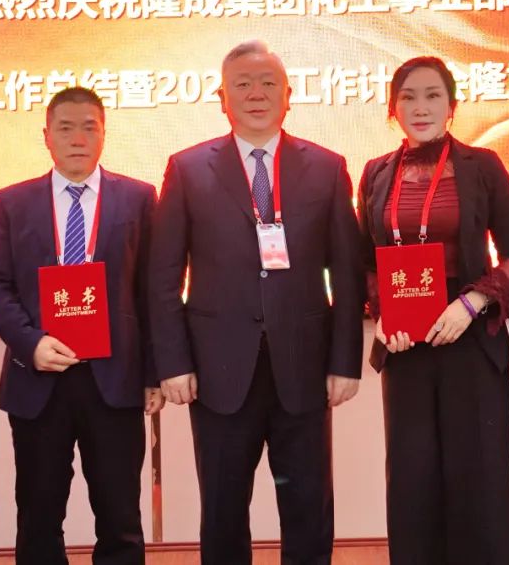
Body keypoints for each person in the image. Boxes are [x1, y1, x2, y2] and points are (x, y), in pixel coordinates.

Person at [149, 40, 364, 565]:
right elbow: (164, 275)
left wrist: (345, 361)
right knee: (223, 510)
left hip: (304, 365)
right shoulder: (187, 168)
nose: (256, 93)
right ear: (222, 98)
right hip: (218, 369)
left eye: (268, 83)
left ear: (289, 95)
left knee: (309, 507)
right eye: (242, 84)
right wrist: (173, 363)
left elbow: (348, 272)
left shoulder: (327, 167)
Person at [0, 86, 161, 565]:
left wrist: (153, 373)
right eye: (65, 128)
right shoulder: (11, 202)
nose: (77, 138)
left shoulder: (139, 198)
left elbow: (153, 290)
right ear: (46, 135)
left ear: (104, 134)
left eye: (89, 127)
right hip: (39, 379)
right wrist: (30, 343)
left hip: (116, 380)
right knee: (38, 517)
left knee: (121, 519)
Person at [356, 55, 509, 565]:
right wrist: (382, 313)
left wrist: (473, 301)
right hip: (405, 341)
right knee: (412, 478)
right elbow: (365, 258)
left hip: (469, 333)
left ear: (452, 105)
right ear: (393, 108)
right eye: (407, 97)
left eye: (432, 95)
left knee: (478, 475)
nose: (420, 107)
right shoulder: (376, 172)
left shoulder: (483, 165)